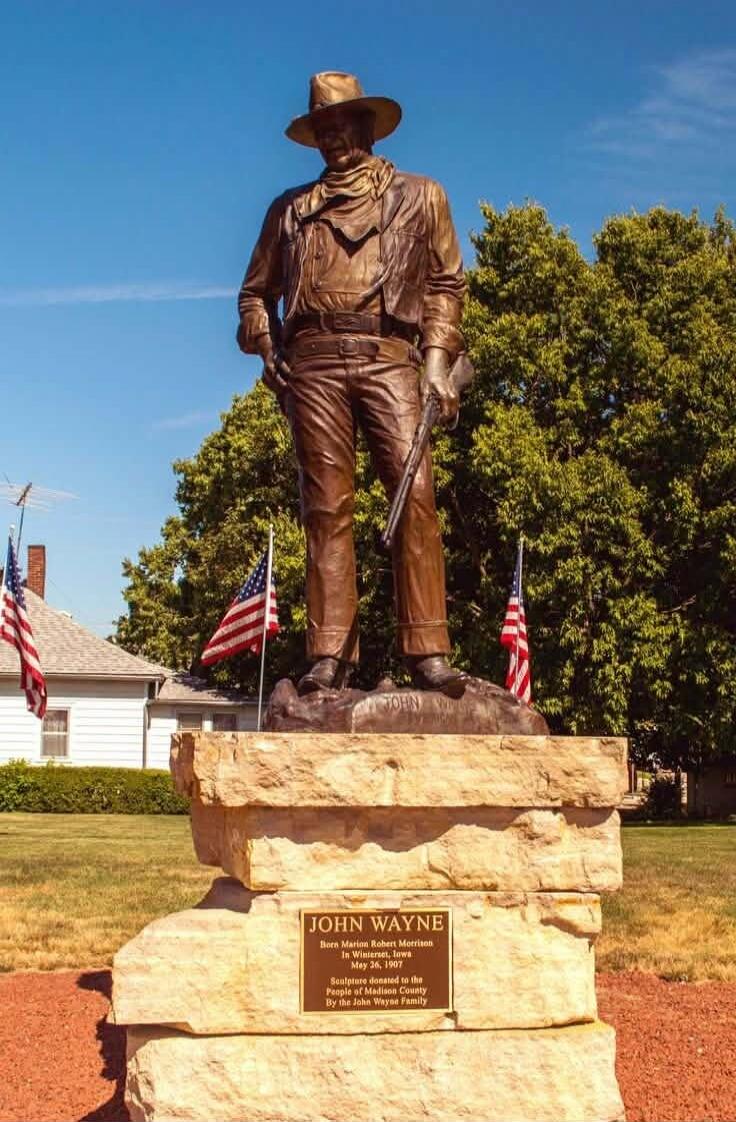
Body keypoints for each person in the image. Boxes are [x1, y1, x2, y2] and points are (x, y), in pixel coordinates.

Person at [237, 71, 467, 696]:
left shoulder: (420, 196)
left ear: (367, 127)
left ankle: (428, 652)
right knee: (326, 508)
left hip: (390, 354)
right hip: (311, 362)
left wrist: (439, 361)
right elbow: (254, 295)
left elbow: (447, 284)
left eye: (343, 125)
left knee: (414, 495)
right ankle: (330, 655)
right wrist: (263, 341)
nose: (334, 137)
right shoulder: (288, 211)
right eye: (323, 128)